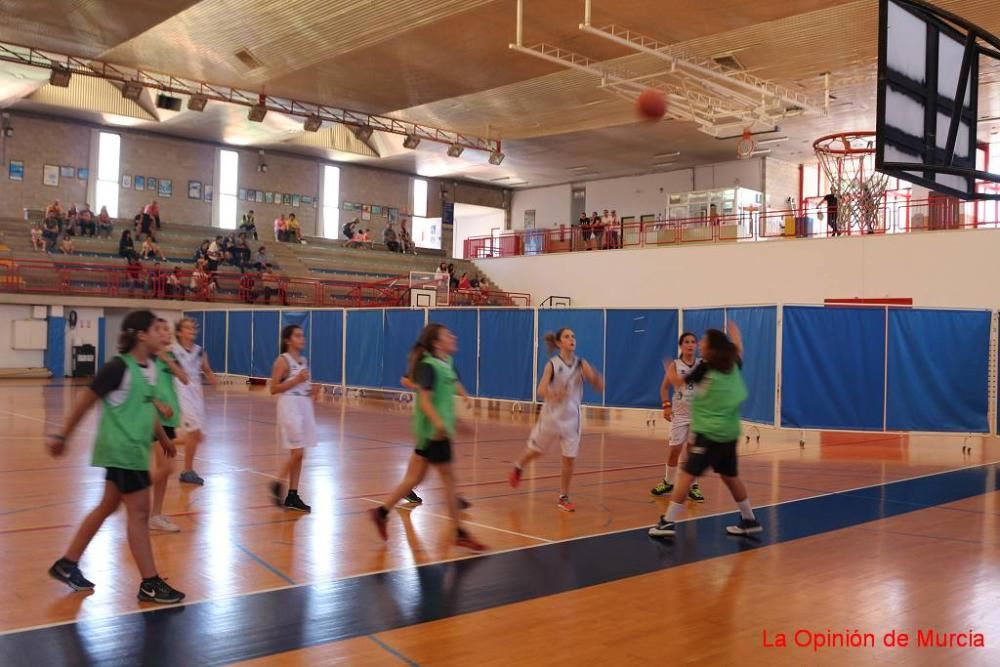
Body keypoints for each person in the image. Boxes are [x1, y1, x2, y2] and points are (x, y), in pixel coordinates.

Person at [46, 309, 185, 604]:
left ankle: (67, 564)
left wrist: (162, 438)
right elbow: (85, 401)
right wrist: (63, 436)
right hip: (121, 449)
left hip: (132, 449)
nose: (163, 334)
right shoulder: (117, 367)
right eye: (157, 329)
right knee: (138, 513)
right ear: (140, 335)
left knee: (107, 506)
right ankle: (150, 583)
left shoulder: (148, 366)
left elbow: (146, 407)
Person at [370, 324, 486, 551]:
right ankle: (460, 533)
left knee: (414, 479)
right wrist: (439, 423)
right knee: (449, 481)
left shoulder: (447, 363)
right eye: (447, 334)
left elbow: (444, 397)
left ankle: (381, 512)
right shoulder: (428, 366)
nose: (453, 336)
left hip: (434, 431)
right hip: (433, 433)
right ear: (436, 342)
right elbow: (424, 401)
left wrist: (458, 416)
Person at [649, 322, 763, 538]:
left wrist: (669, 370)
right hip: (729, 434)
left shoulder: (705, 368)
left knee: (686, 476)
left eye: (703, 341)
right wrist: (737, 337)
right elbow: (739, 350)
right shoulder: (732, 363)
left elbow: (679, 383)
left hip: (710, 434)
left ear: (712, 348)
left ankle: (667, 523)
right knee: (731, 477)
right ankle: (749, 520)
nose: (699, 344)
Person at [508, 328, 604, 512]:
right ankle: (519, 465)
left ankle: (563, 496)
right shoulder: (552, 365)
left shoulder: (581, 364)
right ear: (559, 343)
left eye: (573, 336)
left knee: (569, 458)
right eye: (567, 337)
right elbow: (541, 390)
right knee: (536, 451)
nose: (572, 339)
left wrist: (596, 380)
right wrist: (554, 393)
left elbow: (598, 384)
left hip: (572, 419)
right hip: (551, 417)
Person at [267, 325, 319, 512]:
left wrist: (312, 392)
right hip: (289, 406)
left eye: (302, 335)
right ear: (288, 340)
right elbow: (273, 389)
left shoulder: (303, 360)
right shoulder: (283, 361)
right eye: (298, 335)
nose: (302, 338)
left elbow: (302, 387)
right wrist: (295, 381)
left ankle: (292, 494)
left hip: (303, 406)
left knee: (300, 454)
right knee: (297, 452)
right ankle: (277, 482)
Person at [650, 333, 704, 502]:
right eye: (686, 342)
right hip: (679, 415)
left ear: (696, 345)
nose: (690, 345)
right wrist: (666, 406)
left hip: (698, 415)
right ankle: (668, 482)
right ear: (681, 345)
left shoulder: (703, 364)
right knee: (675, 450)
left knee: (693, 451)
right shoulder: (675, 365)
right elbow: (664, 388)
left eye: (693, 342)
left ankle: (693, 486)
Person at [150, 319, 187, 532]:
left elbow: (184, 378)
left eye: (168, 329)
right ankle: (133, 493)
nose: (167, 333)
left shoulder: (170, 357)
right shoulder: (147, 359)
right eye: (162, 329)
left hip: (169, 421)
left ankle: (156, 514)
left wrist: (168, 360)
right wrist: (158, 404)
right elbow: (143, 388)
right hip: (153, 420)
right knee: (167, 467)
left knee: (164, 470)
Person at [173, 317, 217, 485]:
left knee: (197, 436)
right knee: (194, 433)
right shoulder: (173, 351)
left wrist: (213, 378)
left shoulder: (200, 351)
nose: (192, 330)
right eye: (187, 327)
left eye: (193, 327)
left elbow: (206, 369)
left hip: (196, 395)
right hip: (181, 394)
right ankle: (187, 471)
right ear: (179, 332)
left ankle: (156, 440)